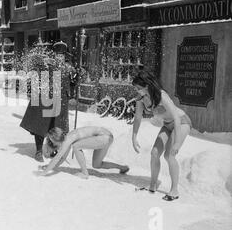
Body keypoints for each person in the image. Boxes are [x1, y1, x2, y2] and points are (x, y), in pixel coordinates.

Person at [132, 70, 192, 201]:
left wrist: (176, 143)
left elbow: (176, 117)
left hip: (181, 122)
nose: (136, 91)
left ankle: (174, 190)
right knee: (154, 153)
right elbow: (137, 118)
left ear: (146, 86)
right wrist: (134, 136)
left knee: (169, 156)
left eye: (138, 88)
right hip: (167, 124)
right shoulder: (140, 99)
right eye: (135, 88)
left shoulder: (161, 95)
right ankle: (152, 185)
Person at [35, 126, 129, 179]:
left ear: (56, 138)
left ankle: (85, 173)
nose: (52, 143)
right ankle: (123, 167)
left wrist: (45, 172)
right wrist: (49, 167)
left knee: (77, 146)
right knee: (97, 164)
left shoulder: (68, 139)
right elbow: (62, 158)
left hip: (104, 137)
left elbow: (57, 157)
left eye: (52, 140)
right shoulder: (68, 138)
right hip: (107, 137)